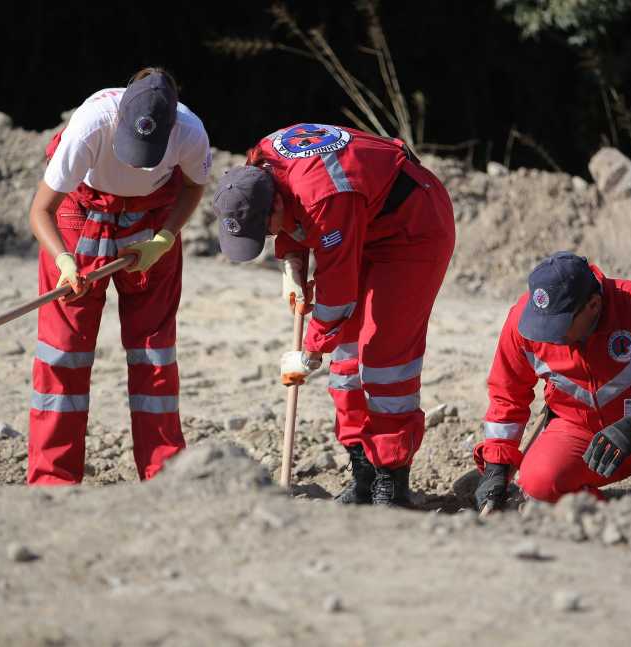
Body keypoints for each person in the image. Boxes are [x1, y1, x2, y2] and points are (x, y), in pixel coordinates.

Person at [212, 123, 456, 506]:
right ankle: (362, 472)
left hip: (413, 226)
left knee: (384, 359)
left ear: (273, 205)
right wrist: (291, 263)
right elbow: (295, 221)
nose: (272, 237)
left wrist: (308, 354)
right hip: (360, 219)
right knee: (346, 361)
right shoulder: (257, 166)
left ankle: (390, 481)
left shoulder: (323, 196)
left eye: (268, 232)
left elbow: (337, 293)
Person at [26, 68, 211, 485]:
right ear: (121, 119)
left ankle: (165, 476)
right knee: (63, 351)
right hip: (80, 213)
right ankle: (53, 482)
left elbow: (194, 188)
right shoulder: (91, 125)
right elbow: (40, 210)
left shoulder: (190, 131)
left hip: (152, 216)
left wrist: (164, 238)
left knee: (155, 352)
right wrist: (64, 261)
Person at [474, 251, 631, 509]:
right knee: (538, 483)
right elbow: (506, 394)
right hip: (581, 434)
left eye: (558, 326)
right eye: (543, 325)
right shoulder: (525, 322)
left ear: (593, 305)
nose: (548, 336)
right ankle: (606, 518)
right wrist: (496, 464)